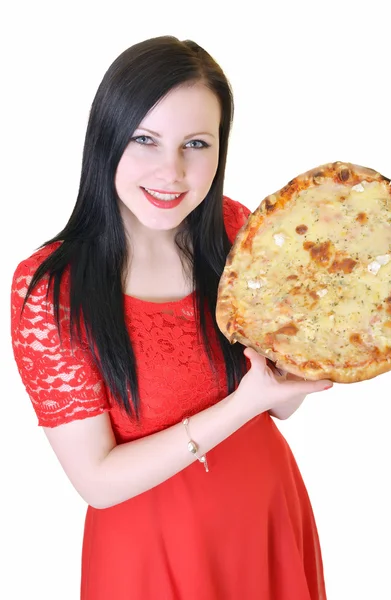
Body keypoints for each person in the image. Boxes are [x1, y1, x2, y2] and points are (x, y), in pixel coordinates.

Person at [10, 36, 333, 600]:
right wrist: (245, 403)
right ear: (105, 140)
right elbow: (98, 482)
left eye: (196, 144)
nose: (172, 171)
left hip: (266, 518)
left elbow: (280, 402)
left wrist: (309, 347)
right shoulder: (51, 289)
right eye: (145, 140)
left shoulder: (240, 231)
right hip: (150, 550)